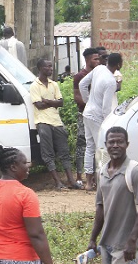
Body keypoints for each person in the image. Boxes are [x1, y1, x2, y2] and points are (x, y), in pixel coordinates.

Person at [87, 127, 138, 264]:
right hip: (106, 241)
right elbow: (100, 208)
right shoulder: (102, 172)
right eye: (111, 142)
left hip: (125, 245)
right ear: (106, 145)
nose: (115, 145)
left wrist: (132, 240)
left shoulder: (136, 172)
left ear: (127, 144)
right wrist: (93, 238)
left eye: (120, 142)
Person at [30, 59, 81, 190]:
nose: (51, 69)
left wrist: (47, 100)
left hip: (56, 121)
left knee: (64, 151)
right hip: (42, 122)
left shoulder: (54, 84)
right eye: (48, 67)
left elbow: (61, 102)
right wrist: (53, 102)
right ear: (40, 68)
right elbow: (39, 105)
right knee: (48, 153)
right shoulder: (34, 86)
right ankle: (58, 182)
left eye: (51, 67)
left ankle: (71, 180)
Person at [79, 53, 123, 191]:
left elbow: (82, 84)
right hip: (98, 117)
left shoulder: (98, 69)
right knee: (102, 149)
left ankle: (88, 183)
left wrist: (88, 102)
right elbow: (106, 108)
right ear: (119, 65)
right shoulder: (111, 82)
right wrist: (108, 124)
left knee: (90, 147)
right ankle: (100, 181)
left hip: (87, 113)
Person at [72, 48, 100, 185]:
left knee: (96, 145)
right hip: (84, 114)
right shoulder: (80, 76)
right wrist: (92, 105)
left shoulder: (99, 74)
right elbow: (77, 96)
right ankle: (79, 175)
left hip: (97, 115)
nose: (98, 61)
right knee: (82, 144)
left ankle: (94, 174)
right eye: (95, 59)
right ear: (88, 60)